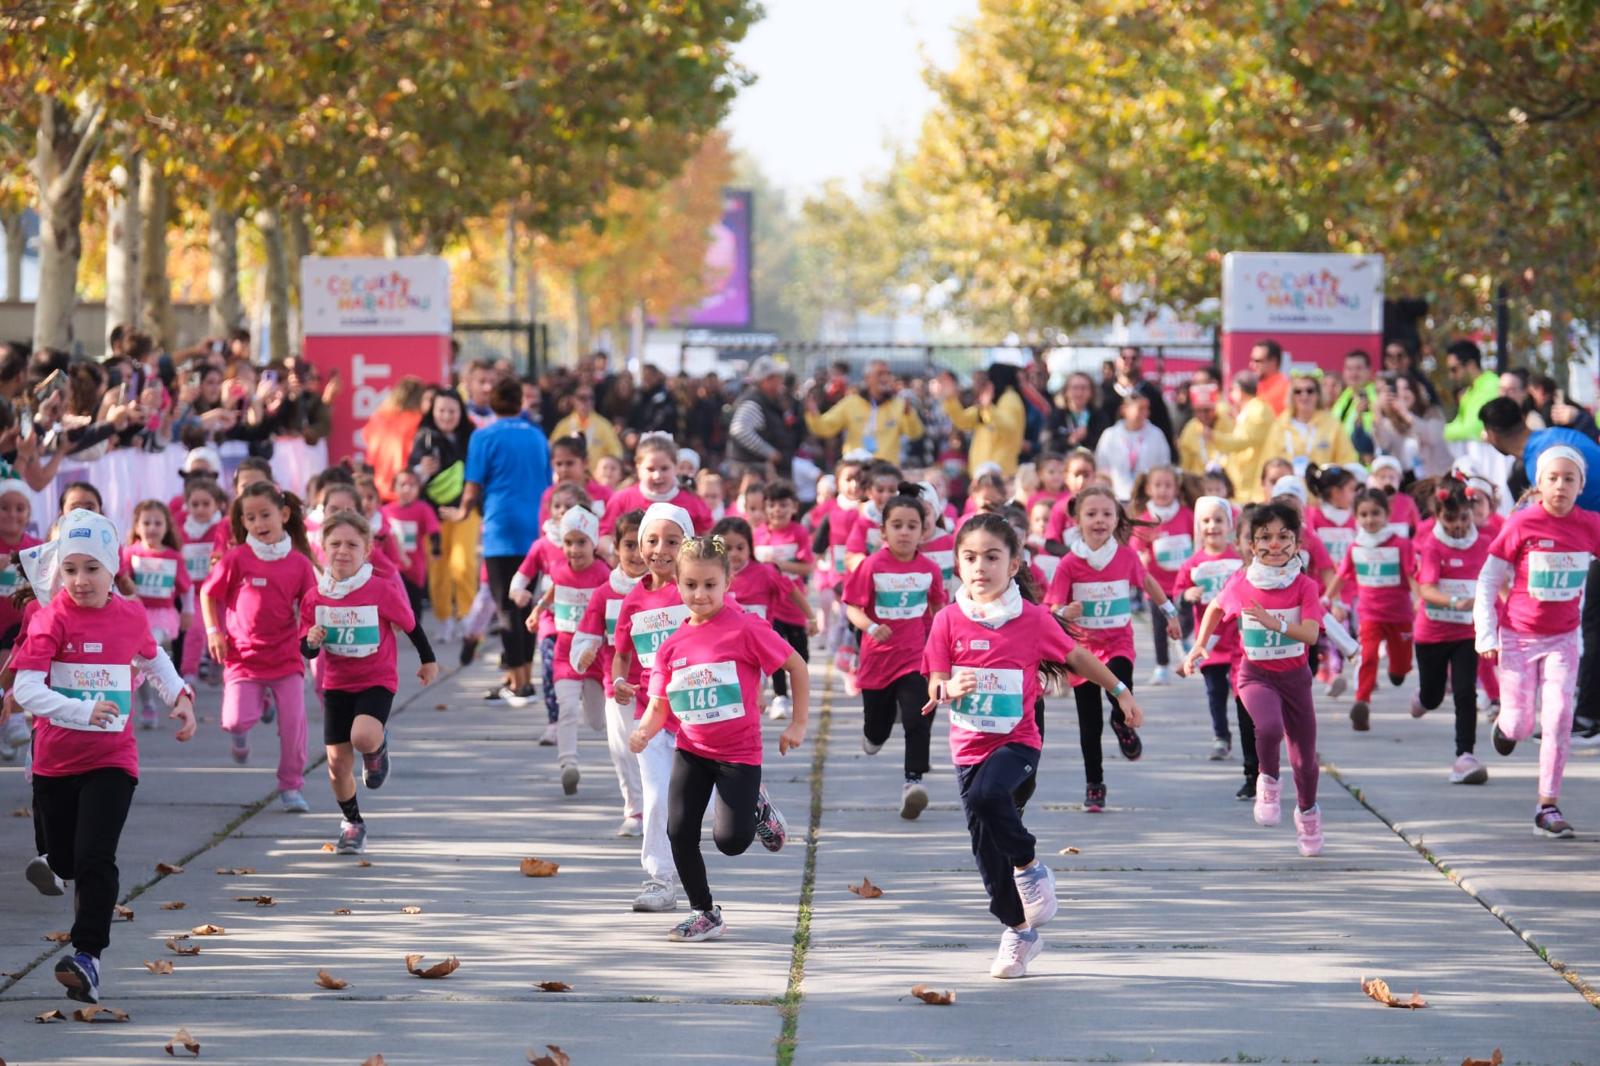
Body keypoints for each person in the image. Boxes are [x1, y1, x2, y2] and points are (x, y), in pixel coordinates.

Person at [921, 511, 1144, 979]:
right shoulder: (947, 621)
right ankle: (1020, 933)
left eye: (992, 557)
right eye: (970, 558)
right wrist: (948, 687)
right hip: (968, 751)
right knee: (986, 860)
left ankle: (1033, 868)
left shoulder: (1033, 619)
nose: (980, 566)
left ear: (1015, 564)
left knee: (990, 799)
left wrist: (1120, 691)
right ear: (957, 565)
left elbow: (1079, 656)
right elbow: (935, 683)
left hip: (1018, 745)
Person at [12, 509, 196, 1005]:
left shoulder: (130, 614)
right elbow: (27, 689)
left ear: (112, 567)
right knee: (67, 858)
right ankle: (55, 861)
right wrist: (79, 709)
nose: (80, 580)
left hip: (113, 758)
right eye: (69, 569)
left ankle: (87, 957)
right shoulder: (51, 618)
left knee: (96, 857)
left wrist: (180, 696)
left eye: (91, 568)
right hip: (54, 763)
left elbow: (151, 656)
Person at [629, 534, 805, 943]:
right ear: (677, 583)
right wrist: (643, 732)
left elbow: (796, 667)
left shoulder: (745, 628)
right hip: (691, 749)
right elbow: (659, 707)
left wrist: (797, 724)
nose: (701, 594)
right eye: (691, 585)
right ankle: (704, 911)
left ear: (728, 584)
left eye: (710, 585)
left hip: (739, 754)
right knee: (679, 831)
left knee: (730, 842)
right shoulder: (671, 646)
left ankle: (757, 807)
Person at [1181, 502, 1326, 857]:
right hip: (1255, 675)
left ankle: (1307, 814)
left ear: (1297, 541)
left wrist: (1275, 624)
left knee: (1305, 761)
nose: (1274, 545)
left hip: (1295, 678)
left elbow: (1309, 634)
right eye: (1264, 537)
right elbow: (1216, 607)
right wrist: (1200, 645)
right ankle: (1268, 782)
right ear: (1250, 544)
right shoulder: (1241, 581)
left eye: (1283, 537)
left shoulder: (1304, 586)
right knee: (1269, 727)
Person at [1474, 446, 1600, 838]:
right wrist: (1485, 633)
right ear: (1540, 484)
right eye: (1553, 478)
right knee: (1519, 724)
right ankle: (1504, 728)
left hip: (1563, 639)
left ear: (1581, 487)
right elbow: (1489, 580)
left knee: (1560, 716)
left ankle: (1547, 806)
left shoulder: (1590, 525)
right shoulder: (1522, 524)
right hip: (1517, 638)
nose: (1560, 486)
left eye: (1569, 479)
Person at [300, 510, 436, 855]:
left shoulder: (380, 588)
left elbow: (410, 625)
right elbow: (307, 648)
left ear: (366, 551)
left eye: (351, 544)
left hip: (377, 678)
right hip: (337, 684)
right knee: (337, 766)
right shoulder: (316, 596)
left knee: (362, 735)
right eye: (334, 543)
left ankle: (377, 748)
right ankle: (352, 823)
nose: (342, 550)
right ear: (322, 547)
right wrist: (311, 641)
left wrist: (428, 661)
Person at [1045, 486, 1179, 812]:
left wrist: (1170, 613)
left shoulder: (1126, 556)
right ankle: (1094, 783)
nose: (1099, 520)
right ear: (1077, 520)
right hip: (1081, 652)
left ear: (1117, 518)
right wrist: (1065, 613)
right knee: (1089, 724)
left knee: (1121, 689)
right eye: (1091, 514)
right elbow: (1052, 609)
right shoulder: (1069, 564)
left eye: (1107, 514)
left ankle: (1121, 722)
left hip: (1118, 643)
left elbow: (1147, 582)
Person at [201, 482, 318, 812]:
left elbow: (310, 606)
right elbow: (208, 594)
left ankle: (291, 786)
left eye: (265, 515)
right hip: (243, 658)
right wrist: (213, 631)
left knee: (294, 725)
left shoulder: (298, 563)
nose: (258, 524)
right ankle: (243, 733)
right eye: (250, 518)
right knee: (236, 721)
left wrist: (310, 636)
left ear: (283, 514)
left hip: (285, 659)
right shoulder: (237, 558)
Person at [842, 485, 947, 819]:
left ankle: (912, 782)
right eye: (897, 525)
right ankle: (872, 735)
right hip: (876, 661)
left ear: (923, 530)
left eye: (912, 526)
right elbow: (852, 609)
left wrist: (940, 641)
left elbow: (937, 606)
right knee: (878, 729)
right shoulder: (872, 566)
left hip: (916, 657)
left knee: (918, 715)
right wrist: (871, 627)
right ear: (884, 530)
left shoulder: (929, 569)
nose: (904, 532)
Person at [612, 504, 697, 913]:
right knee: (659, 796)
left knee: (711, 800)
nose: (660, 550)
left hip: (700, 718)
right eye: (651, 540)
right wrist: (619, 683)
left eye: (672, 541)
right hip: (653, 716)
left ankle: (753, 798)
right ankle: (661, 879)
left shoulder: (694, 589)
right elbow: (622, 656)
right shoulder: (632, 601)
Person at [459, 377, 552, 705]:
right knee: (527, 601)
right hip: (534, 528)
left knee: (506, 607)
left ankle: (518, 681)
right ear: (520, 402)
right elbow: (546, 480)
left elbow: (473, 485)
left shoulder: (483, 436)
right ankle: (526, 674)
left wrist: (460, 512)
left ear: (492, 402)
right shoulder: (538, 436)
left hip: (500, 528)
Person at [570, 508, 649, 838]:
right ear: (616, 547)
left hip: (665, 687)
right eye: (629, 545)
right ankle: (636, 810)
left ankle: (668, 808)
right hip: (617, 686)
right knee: (623, 750)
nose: (637, 553)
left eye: (644, 545)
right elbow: (585, 636)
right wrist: (584, 654)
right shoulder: (605, 593)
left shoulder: (672, 590)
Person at [526, 504, 611, 795]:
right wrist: (538, 610)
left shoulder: (602, 572)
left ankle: (591, 717)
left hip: (595, 655)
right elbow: (552, 592)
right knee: (567, 708)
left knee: (597, 722)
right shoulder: (559, 570)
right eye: (568, 542)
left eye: (581, 542)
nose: (574, 549)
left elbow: (614, 602)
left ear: (593, 542)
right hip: (565, 650)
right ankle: (568, 764)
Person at [1413, 479, 1490, 785]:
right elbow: (1426, 589)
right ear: (1438, 516)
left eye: (1463, 518)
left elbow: (1496, 580)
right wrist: (1458, 601)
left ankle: (1465, 756)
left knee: (1464, 691)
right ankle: (1423, 698)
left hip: (1465, 634)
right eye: (1450, 519)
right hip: (1432, 633)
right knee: (1432, 698)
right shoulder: (1432, 545)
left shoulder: (1482, 544)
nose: (1458, 526)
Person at [1324, 488, 1417, 732]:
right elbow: (1342, 576)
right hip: (1369, 614)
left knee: (1401, 665)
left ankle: (1399, 670)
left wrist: (1420, 598)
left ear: (1386, 514)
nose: (1369, 519)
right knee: (1367, 656)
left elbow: (1411, 575)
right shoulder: (1356, 546)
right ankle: (1362, 702)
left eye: (1375, 513)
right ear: (1356, 517)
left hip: (1400, 615)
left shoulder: (1400, 544)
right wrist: (1326, 598)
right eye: (1363, 514)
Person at [1173, 497, 1252, 779]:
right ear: (1198, 526)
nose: (1212, 526)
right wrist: (1186, 595)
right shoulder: (1193, 563)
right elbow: (1177, 594)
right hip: (1211, 644)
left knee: (1244, 693)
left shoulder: (1240, 559)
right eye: (1206, 521)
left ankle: (1252, 736)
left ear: (1230, 526)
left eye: (1219, 520)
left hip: (1241, 640)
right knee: (1215, 693)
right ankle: (1221, 736)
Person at [410, 389, 477, 641]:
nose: (447, 416)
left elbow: (480, 473)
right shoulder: (424, 438)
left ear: (461, 412)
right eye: (441, 411)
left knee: (462, 563)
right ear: (432, 412)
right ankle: (443, 618)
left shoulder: (472, 437)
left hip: (466, 510)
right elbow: (409, 476)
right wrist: (420, 471)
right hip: (433, 513)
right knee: (438, 567)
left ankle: (468, 615)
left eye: (452, 411)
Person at [121, 500, 192, 731]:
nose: (152, 527)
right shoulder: (131, 553)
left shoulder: (173, 557)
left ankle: (144, 695)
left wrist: (188, 611)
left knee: (147, 650)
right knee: (135, 658)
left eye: (157, 523)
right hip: (136, 612)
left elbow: (186, 587)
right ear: (137, 526)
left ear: (167, 527)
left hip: (163, 615)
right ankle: (147, 703)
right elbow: (118, 581)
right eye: (146, 522)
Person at [753, 481, 816, 721]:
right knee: (775, 652)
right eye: (771, 505)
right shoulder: (757, 533)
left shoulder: (798, 532)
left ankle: (799, 693)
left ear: (794, 508)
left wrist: (778, 566)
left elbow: (807, 566)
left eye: (783, 505)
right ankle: (781, 696)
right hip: (771, 607)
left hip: (794, 605)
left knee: (800, 654)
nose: (777, 510)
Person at [1129, 466, 1195, 685]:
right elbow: (1135, 545)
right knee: (1159, 628)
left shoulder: (1186, 515)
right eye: (1158, 485)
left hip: (1182, 584)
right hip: (1155, 586)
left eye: (1168, 485)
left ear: (1176, 489)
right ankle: (1162, 666)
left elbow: (1199, 540)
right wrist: (1141, 557)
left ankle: (1185, 637)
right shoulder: (1146, 518)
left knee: (1186, 617)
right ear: (1148, 488)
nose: (1163, 490)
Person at [804, 360, 925, 463]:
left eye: (888, 373)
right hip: (856, 471)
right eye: (880, 374)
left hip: (886, 473)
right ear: (867, 378)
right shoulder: (851, 402)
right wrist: (813, 414)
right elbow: (825, 428)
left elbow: (915, 434)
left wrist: (908, 414)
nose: (885, 378)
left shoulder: (899, 404)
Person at [939, 362, 1028, 476]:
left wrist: (988, 409)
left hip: (1000, 475)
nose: (986, 384)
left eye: (989, 379)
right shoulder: (990, 402)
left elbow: (1009, 429)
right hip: (982, 474)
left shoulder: (1010, 399)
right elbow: (963, 421)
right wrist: (950, 399)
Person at [1205, 372, 1276, 501]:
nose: (1231, 395)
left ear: (1240, 390)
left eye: (1232, 390)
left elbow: (1243, 441)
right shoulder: (1251, 409)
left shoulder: (1258, 410)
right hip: (1244, 482)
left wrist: (1214, 436)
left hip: (1252, 485)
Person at [727, 356, 797, 477]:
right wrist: (769, 452)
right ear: (766, 380)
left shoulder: (768, 401)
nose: (781, 382)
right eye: (777, 378)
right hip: (751, 471)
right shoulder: (754, 402)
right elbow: (739, 430)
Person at [1094, 392, 1171, 501]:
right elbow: (1101, 466)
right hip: (1116, 496)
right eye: (1140, 409)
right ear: (1124, 410)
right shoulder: (1110, 435)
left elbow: (1164, 464)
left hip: (1147, 497)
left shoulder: (1156, 434)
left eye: (1147, 409)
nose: (1146, 413)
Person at [1372, 372, 1451, 478]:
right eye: (1397, 390)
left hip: (1438, 477)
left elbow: (1433, 437)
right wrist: (1378, 413)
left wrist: (1406, 414)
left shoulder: (1433, 413)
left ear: (1415, 391)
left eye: (1406, 389)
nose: (1402, 394)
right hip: (1410, 483)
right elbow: (1383, 444)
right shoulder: (1390, 423)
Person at [1278, 373, 1357, 475]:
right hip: (1288, 488)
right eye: (1298, 391)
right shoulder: (1280, 424)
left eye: (1310, 391)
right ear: (1291, 395)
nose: (1304, 395)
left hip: (1323, 488)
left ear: (1318, 394)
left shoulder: (1332, 424)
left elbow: (1347, 460)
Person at [361, 376, 425, 501]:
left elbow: (366, 438)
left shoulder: (377, 418)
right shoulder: (417, 420)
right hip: (403, 488)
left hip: (377, 488)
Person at [1098, 347, 1174, 449]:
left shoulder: (1152, 393)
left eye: (1134, 358)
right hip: (1113, 450)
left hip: (1146, 450)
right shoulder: (1104, 392)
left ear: (1140, 361)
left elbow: (1164, 426)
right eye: (1124, 357)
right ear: (1117, 361)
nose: (1129, 361)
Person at [1443, 340, 1501, 445]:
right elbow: (1459, 424)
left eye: (1454, 369)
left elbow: (1473, 429)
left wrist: (1436, 433)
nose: (1451, 376)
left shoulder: (1491, 385)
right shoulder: (1469, 392)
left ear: (1471, 365)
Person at [549, 385, 623, 464]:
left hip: (595, 475)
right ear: (573, 400)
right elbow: (552, 450)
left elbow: (616, 452)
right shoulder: (563, 425)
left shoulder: (604, 425)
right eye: (582, 398)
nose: (587, 401)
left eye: (591, 398)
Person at [1176, 377, 1231, 475]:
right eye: (1198, 411)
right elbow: (1185, 468)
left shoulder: (1229, 425)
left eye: (1206, 410)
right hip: (1198, 485)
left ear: (1214, 408)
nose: (1203, 415)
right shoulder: (1190, 430)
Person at [1330, 350, 1379, 456]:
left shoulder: (1376, 397)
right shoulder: (1343, 398)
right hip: (1344, 462)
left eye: (1358, 368)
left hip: (1367, 465)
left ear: (1369, 371)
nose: (1353, 373)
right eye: (1349, 369)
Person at [1048, 371, 1110, 454]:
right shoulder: (1055, 416)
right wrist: (1069, 441)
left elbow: (1106, 446)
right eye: (1075, 388)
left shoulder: (1100, 417)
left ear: (1091, 392)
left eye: (1084, 388)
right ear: (1066, 392)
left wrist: (1087, 436)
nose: (1079, 393)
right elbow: (1047, 445)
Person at [1249, 340, 1291, 415]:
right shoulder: (1253, 385)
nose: (1252, 365)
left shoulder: (1286, 388)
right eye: (1252, 360)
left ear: (1273, 361)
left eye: (1258, 361)